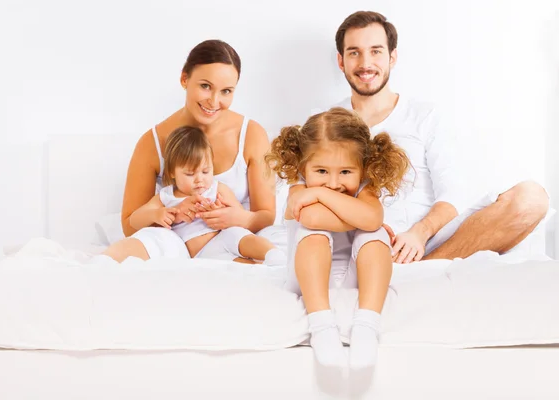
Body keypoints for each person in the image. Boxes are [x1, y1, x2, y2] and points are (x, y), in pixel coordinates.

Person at [329, 11, 549, 263]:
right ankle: (402, 269)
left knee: (531, 199)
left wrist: (419, 233)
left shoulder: (425, 115)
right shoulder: (326, 122)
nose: (365, 63)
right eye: (354, 52)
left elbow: (453, 192)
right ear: (341, 61)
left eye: (376, 51)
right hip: (368, 241)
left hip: (431, 238)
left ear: (392, 57)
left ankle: (424, 267)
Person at [102, 39, 278, 263]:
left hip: (228, 242)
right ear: (185, 79)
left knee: (253, 256)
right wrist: (172, 214)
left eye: (226, 91)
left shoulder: (251, 135)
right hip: (175, 242)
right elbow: (130, 225)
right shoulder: (153, 142)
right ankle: (99, 265)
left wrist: (239, 219)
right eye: (205, 86)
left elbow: (266, 215)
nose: (214, 101)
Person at [265, 107, 410, 370]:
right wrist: (363, 218)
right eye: (321, 171)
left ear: (363, 169)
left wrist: (322, 196)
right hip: (308, 281)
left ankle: (367, 323)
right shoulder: (298, 189)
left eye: (345, 172)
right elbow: (313, 218)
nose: (333, 183)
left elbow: (372, 221)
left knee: (376, 235)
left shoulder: (361, 188)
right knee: (315, 233)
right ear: (302, 167)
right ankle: (321, 324)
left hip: (357, 277)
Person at [147, 125, 286, 264]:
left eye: (206, 171)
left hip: (224, 234)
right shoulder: (167, 196)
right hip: (203, 252)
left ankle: (272, 253)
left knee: (240, 236)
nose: (199, 179)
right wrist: (157, 214)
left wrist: (224, 211)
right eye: (190, 174)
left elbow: (239, 215)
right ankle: (261, 269)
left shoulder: (217, 188)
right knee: (233, 265)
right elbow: (134, 219)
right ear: (172, 172)